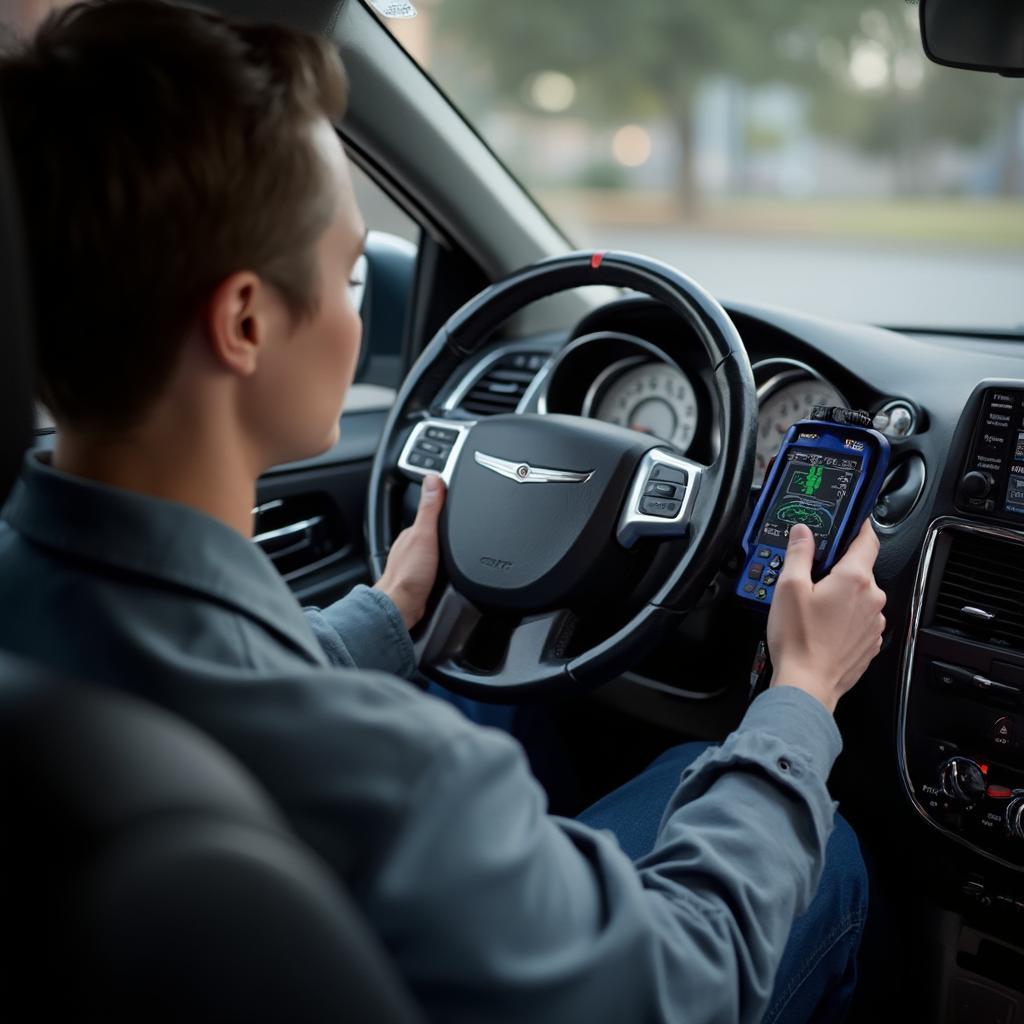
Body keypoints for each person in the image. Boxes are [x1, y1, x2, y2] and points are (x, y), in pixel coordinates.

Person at [0, 3, 885, 1021]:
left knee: (492, 698)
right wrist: (802, 698)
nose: (357, 307)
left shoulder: (31, 588)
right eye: (345, 272)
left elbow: (201, 671)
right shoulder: (397, 775)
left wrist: (391, 608)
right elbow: (690, 980)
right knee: (805, 838)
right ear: (245, 320)